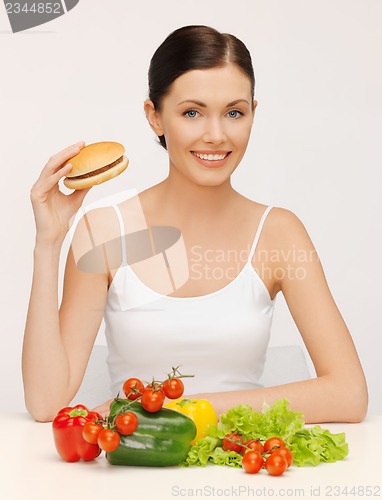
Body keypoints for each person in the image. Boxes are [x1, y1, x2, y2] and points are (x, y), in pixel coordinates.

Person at [23, 25, 368, 423]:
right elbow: (46, 403)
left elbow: (348, 393)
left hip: (247, 471)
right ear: (155, 117)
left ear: (254, 113)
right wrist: (47, 244)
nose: (216, 136)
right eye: (192, 112)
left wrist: (182, 409)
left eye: (234, 113)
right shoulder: (105, 231)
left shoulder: (279, 233)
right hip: (135, 471)